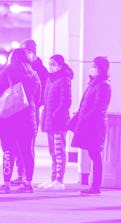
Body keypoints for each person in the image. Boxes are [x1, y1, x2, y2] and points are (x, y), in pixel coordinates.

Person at [0, 48, 41, 193]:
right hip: (27, 119)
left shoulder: (6, 73)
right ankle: (28, 183)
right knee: (27, 152)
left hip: (8, 120)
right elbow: (37, 99)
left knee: (8, 152)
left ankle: (6, 184)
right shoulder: (34, 75)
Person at [68, 56, 111, 195]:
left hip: (95, 125)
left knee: (95, 155)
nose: (91, 68)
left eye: (94, 66)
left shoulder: (103, 85)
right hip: (90, 124)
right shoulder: (94, 83)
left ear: (101, 69)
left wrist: (84, 118)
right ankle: (94, 186)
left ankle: (96, 187)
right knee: (93, 154)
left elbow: (98, 107)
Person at [10, 39, 48, 187]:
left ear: (32, 52)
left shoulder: (40, 70)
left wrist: (33, 105)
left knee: (27, 145)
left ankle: (26, 176)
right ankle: (20, 174)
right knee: (18, 145)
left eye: (26, 51)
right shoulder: (21, 66)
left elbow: (42, 93)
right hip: (20, 111)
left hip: (31, 111)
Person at [39, 54, 73, 190]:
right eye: (49, 63)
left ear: (60, 65)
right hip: (49, 120)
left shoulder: (64, 79)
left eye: (53, 64)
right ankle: (53, 178)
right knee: (53, 152)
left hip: (58, 121)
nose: (50, 66)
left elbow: (66, 101)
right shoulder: (50, 79)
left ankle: (59, 180)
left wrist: (55, 114)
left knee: (59, 151)